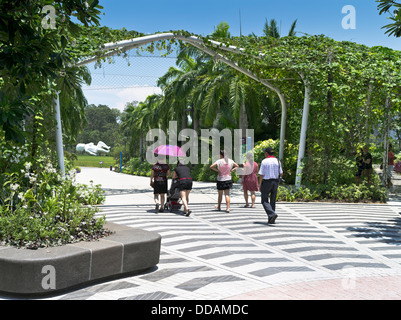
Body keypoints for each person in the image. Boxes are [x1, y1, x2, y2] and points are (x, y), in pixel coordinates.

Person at [258, 147, 283, 224]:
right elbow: (281, 173)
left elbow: (261, 174)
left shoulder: (264, 161)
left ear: (266, 153)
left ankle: (272, 214)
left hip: (267, 182)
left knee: (264, 200)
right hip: (275, 182)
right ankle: (271, 218)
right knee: (273, 200)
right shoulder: (277, 161)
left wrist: (260, 184)